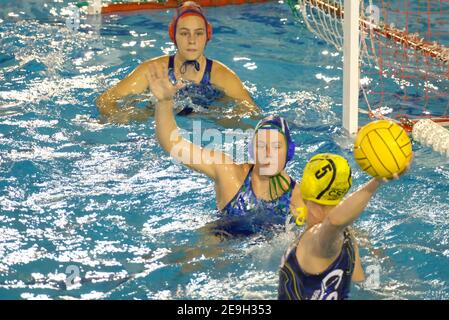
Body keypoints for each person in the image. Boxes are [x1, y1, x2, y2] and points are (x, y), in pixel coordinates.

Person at [148, 62, 302, 238]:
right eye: (261, 145)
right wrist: (164, 102)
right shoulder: (229, 173)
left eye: (276, 146)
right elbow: (173, 145)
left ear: (289, 152)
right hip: (219, 243)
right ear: (252, 150)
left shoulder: (298, 198)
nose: (268, 153)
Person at [96, 1, 259, 124]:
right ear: (173, 36)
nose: (192, 41)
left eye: (198, 33)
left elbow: (253, 115)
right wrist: (124, 118)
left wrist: (216, 118)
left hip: (204, 123)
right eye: (184, 33)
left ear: (207, 36)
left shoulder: (222, 76)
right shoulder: (153, 70)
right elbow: (106, 100)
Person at [278, 153, 413, 300]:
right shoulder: (348, 235)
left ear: (303, 196)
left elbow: (333, 222)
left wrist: (377, 182)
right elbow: (359, 286)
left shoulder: (314, 241)